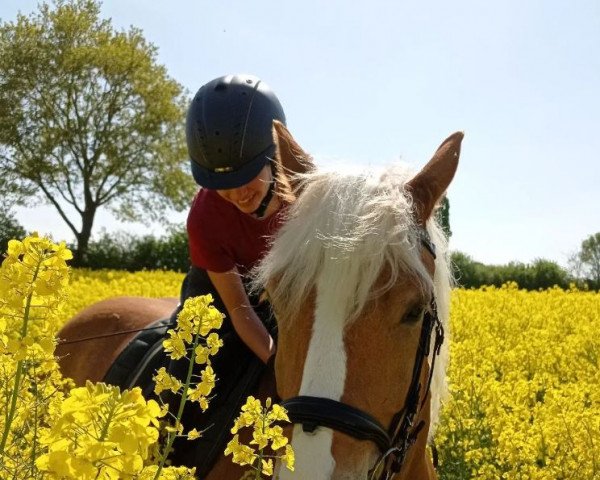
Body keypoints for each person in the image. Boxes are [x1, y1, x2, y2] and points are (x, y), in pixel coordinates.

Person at [165, 73, 308, 474]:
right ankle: (168, 457)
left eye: (245, 178)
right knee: (187, 369)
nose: (236, 195)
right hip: (222, 294)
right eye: (222, 186)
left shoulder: (305, 196)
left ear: (275, 157)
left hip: (281, 288)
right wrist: (278, 362)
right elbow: (241, 314)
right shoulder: (206, 217)